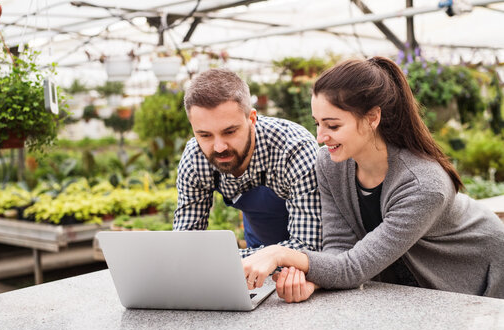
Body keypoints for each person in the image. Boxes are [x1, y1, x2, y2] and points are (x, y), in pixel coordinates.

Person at [242, 56, 504, 301]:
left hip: (477, 275)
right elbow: (339, 247)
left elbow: (352, 267)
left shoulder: (423, 185)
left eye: (333, 126)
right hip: (414, 290)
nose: (320, 137)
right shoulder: (330, 164)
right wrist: (318, 281)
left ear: (372, 118)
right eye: (317, 124)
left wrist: (278, 253)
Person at [173, 68, 322, 258]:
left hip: (303, 264)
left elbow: (308, 247)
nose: (219, 147)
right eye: (204, 135)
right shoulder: (195, 158)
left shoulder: (293, 149)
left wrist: (226, 260)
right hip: (255, 248)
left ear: (252, 119)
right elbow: (186, 242)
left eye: (230, 132)